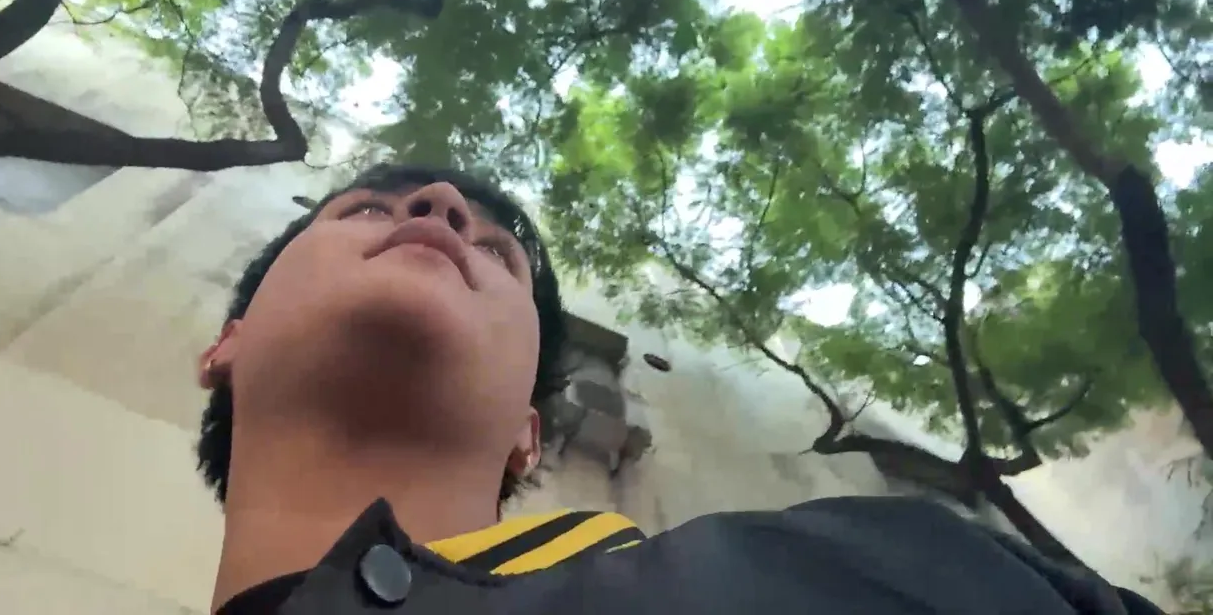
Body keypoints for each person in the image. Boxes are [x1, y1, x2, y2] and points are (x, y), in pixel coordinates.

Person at [195, 162, 1162, 615]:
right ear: (226, 345)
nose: (442, 208)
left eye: (496, 251)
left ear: (529, 433)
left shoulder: (898, 571)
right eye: (367, 211)